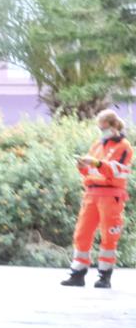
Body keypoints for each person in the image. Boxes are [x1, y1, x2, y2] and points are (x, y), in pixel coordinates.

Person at [62, 109, 133, 289]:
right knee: (82, 233)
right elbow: (90, 170)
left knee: (109, 236)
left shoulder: (124, 147)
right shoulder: (97, 145)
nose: (102, 131)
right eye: (100, 128)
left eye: (104, 127)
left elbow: (118, 171)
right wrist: (83, 166)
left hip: (111, 196)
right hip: (91, 194)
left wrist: (97, 164)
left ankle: (104, 276)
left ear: (114, 125)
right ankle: (78, 273)